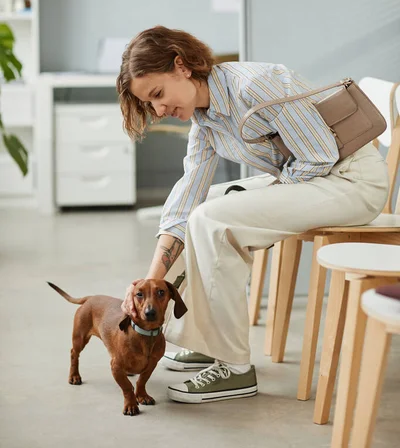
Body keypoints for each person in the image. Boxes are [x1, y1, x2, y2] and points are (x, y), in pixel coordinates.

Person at [116, 25, 389, 404]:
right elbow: (185, 200)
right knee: (203, 206)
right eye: (151, 104)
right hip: (316, 179)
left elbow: (320, 153)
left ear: (181, 66)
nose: (159, 110)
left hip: (351, 182)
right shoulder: (205, 119)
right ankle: (207, 339)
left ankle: (235, 366)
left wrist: (263, 199)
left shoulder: (254, 86)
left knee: (215, 219)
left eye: (158, 94)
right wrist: (148, 280)